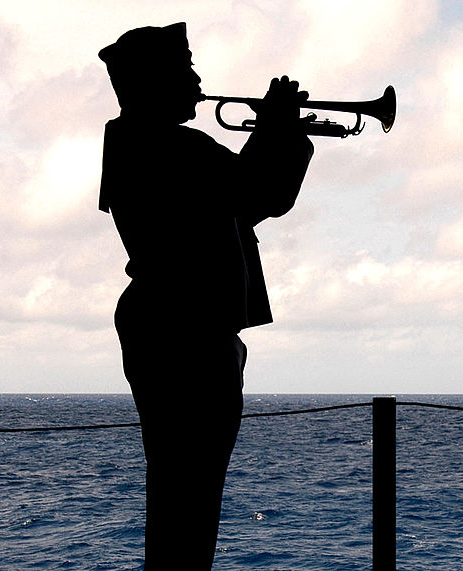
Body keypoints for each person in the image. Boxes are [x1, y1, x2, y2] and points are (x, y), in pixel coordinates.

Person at [97, 23, 313, 569]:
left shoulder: (139, 141)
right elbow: (262, 194)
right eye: (186, 71)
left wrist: (274, 132)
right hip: (185, 330)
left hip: (171, 323)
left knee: (184, 488)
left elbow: (240, 198)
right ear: (156, 82)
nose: (198, 82)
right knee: (189, 489)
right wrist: (276, 128)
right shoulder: (167, 145)